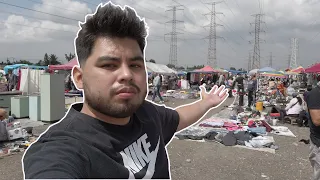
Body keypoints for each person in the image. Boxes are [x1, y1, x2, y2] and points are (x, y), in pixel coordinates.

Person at [22, 3, 228, 179]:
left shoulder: (147, 114)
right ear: (79, 78)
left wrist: (206, 103)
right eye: (109, 65)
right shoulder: (65, 148)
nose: (126, 75)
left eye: (135, 65)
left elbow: (178, 118)